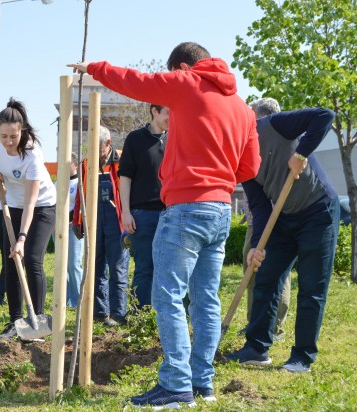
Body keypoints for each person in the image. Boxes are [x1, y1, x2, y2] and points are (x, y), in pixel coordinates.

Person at [69, 41, 261, 408]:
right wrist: (218, 178)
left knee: (167, 294)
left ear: (184, 67)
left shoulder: (187, 83)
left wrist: (94, 68)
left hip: (187, 208)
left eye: (172, 72)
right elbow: (250, 168)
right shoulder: (243, 108)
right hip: (221, 210)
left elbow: (136, 81)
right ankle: (202, 384)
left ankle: (176, 384)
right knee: (206, 298)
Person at [226, 105, 339, 374]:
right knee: (266, 277)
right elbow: (261, 205)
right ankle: (256, 348)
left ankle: (302, 356)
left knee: (312, 286)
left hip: (317, 209)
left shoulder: (273, 126)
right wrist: (257, 245)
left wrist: (301, 154)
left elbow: (325, 116)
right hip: (283, 216)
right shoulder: (241, 161)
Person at [0, 97, 57, 340]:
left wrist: (22, 238)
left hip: (41, 205)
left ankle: (37, 319)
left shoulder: (32, 154)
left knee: (32, 259)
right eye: (3, 136)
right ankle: (15, 321)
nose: (7, 141)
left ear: (21, 131)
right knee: (11, 261)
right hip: (12, 205)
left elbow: (31, 203)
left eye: (13, 136)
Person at [239, 100, 291, 339]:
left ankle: (275, 325)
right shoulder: (254, 144)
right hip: (255, 220)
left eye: (255, 119)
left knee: (277, 272)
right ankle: (255, 323)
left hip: (276, 221)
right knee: (251, 267)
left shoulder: (283, 145)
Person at [73, 126, 129, 326]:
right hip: (95, 220)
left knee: (118, 267)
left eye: (96, 146)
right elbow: (80, 194)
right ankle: (100, 312)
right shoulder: (86, 164)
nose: (92, 150)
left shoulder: (122, 160)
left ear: (108, 143)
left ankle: (119, 314)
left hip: (117, 221)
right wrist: (77, 221)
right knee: (96, 267)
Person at [119, 104, 168, 308]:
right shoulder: (135, 139)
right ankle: (141, 320)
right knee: (145, 268)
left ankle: (165, 318)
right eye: (168, 112)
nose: (171, 117)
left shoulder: (175, 139)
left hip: (171, 213)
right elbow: (125, 177)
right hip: (143, 214)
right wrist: (126, 212)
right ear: (154, 111)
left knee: (167, 270)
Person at [65, 152, 83, 308]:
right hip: (58, 229)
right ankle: (65, 300)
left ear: (75, 165)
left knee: (73, 264)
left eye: (67, 162)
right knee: (62, 265)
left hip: (73, 227)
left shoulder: (79, 183)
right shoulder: (59, 183)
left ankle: (78, 300)